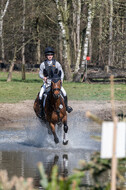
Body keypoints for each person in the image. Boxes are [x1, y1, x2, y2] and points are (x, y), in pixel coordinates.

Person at [38, 46, 73, 118]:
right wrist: (43, 77)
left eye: (51, 55)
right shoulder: (43, 64)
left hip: (56, 83)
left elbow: (61, 72)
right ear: (46, 56)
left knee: (65, 93)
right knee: (40, 95)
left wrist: (61, 79)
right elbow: (40, 73)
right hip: (47, 83)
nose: (49, 56)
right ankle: (41, 111)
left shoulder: (57, 63)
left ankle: (66, 107)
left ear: (52, 55)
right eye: (48, 55)